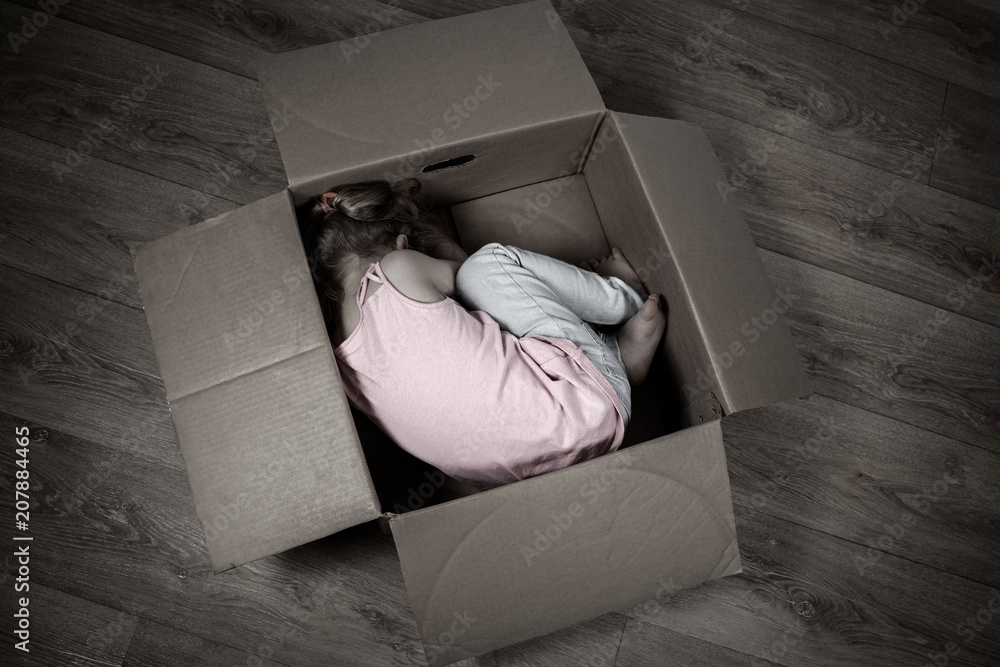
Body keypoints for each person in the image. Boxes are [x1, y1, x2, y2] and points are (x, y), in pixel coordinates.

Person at [299, 177, 666, 491]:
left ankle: (616, 360)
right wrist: (422, 241)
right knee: (486, 265)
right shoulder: (396, 267)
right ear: (399, 243)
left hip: (520, 475)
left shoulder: (335, 354)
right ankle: (620, 298)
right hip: (586, 406)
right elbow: (468, 273)